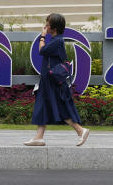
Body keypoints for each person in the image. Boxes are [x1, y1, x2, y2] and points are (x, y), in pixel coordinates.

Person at [24, 12, 90, 147]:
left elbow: (41, 51)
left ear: (53, 28)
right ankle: (39, 137)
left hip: (54, 83)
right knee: (42, 106)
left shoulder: (58, 41)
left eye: (47, 25)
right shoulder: (55, 40)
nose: (45, 27)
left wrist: (42, 37)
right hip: (48, 81)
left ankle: (80, 130)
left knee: (60, 108)